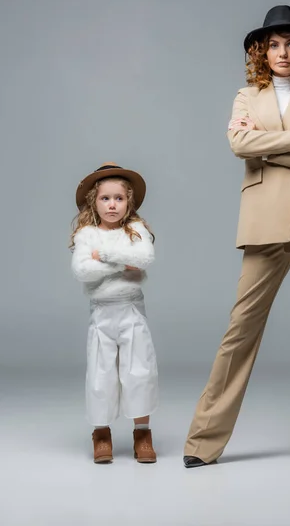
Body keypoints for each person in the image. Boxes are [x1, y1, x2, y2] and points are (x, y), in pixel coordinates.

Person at [184, 5, 290, 469]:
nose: (282, 52)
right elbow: (239, 145)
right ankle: (203, 441)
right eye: (274, 44)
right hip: (264, 222)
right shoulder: (245, 97)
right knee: (240, 330)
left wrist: (268, 143)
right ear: (261, 51)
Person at [71, 162, 158, 464]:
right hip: (102, 315)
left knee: (139, 371)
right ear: (94, 201)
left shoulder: (135, 230)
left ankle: (142, 432)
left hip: (131, 310)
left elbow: (145, 257)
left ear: (128, 202)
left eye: (119, 198)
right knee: (101, 374)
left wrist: (106, 257)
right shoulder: (87, 234)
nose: (112, 204)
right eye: (105, 198)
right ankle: (101, 433)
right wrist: (125, 264)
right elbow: (83, 270)